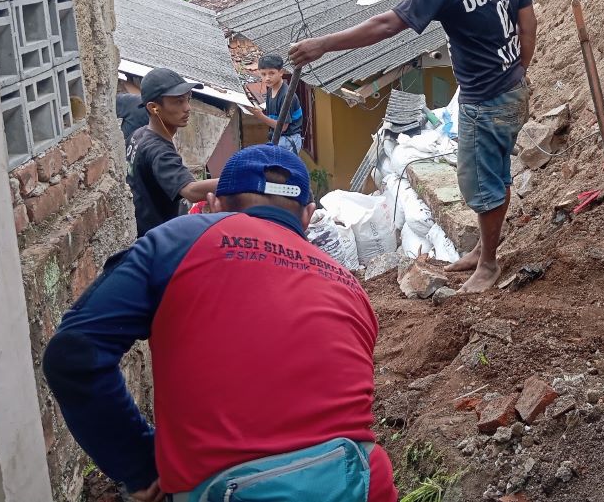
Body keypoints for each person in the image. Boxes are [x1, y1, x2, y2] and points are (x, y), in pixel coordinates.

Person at [43, 145, 398, 502]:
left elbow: (74, 354)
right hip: (366, 485)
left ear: (214, 205)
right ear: (307, 216)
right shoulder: (350, 285)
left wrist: (138, 465)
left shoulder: (178, 239)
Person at [291, 0, 537, 293]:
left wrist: (323, 44)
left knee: (481, 184)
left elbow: (386, 24)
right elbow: (528, 24)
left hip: (485, 100)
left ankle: (489, 264)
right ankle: (483, 249)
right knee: (495, 175)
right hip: (512, 91)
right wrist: (520, 69)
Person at [127, 68, 218, 237]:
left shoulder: (139, 134)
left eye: (188, 99)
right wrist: (237, 178)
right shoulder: (158, 150)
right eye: (178, 102)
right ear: (154, 108)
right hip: (158, 241)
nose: (187, 108)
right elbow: (191, 191)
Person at [248, 53, 304, 154]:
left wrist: (260, 116)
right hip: (278, 137)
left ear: (281, 72)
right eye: (263, 74)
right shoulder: (270, 90)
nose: (267, 78)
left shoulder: (286, 96)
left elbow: (283, 127)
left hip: (288, 139)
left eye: (271, 73)